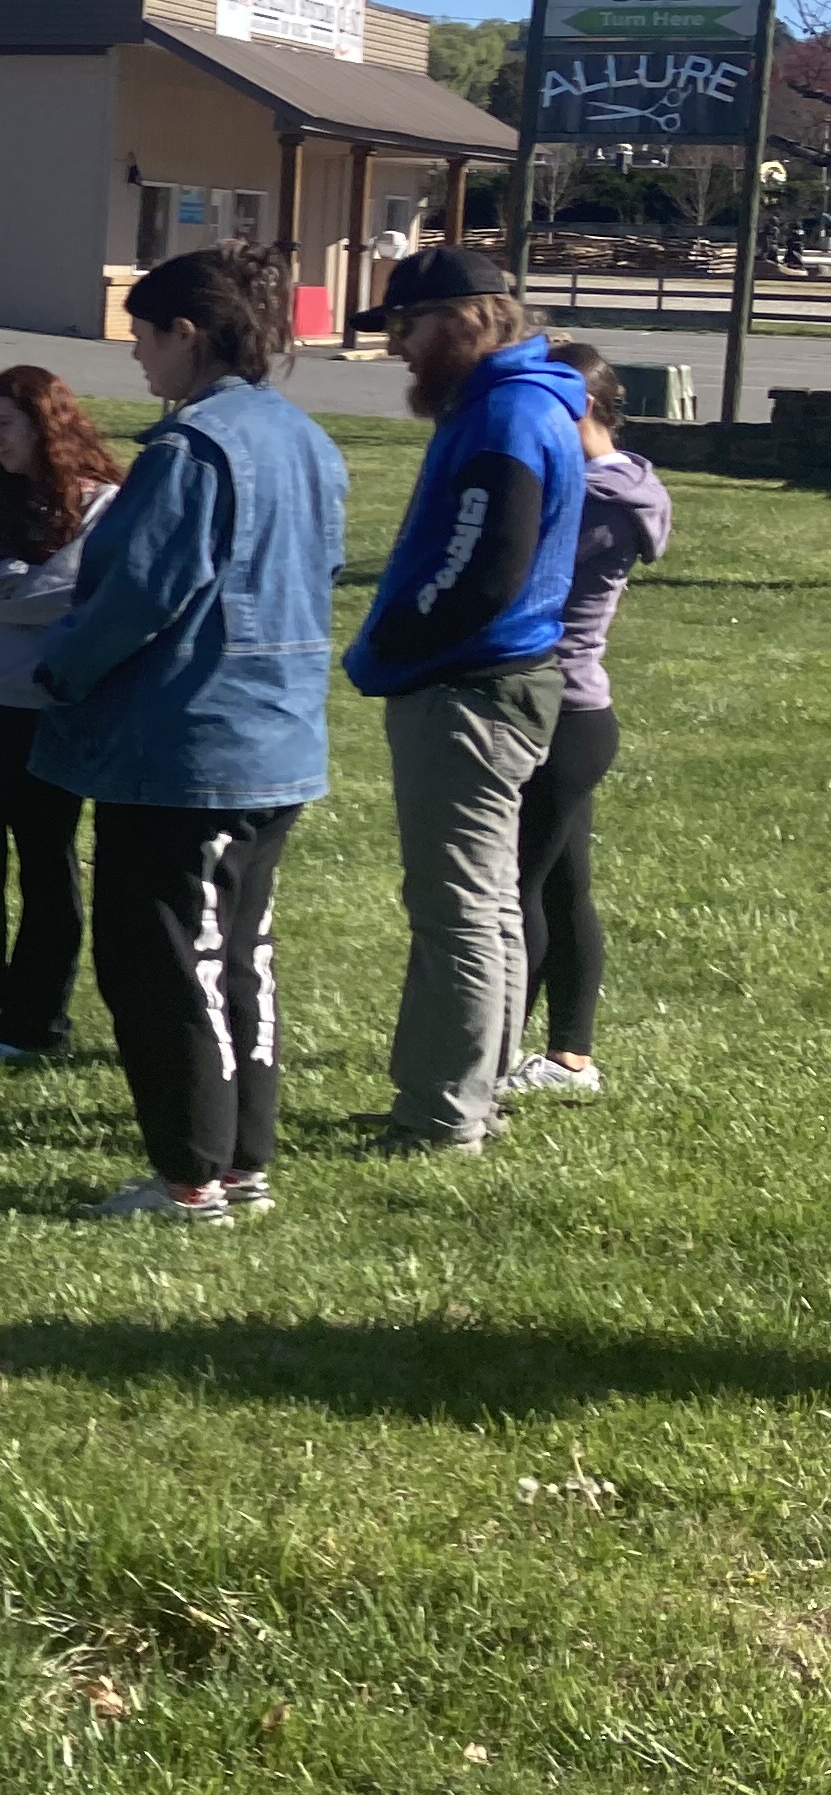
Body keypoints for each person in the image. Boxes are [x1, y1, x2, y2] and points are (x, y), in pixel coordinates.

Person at [33, 244, 348, 1226]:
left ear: (190, 333)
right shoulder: (305, 438)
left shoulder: (192, 450)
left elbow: (144, 593)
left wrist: (59, 668)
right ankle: (238, 1164)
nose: (136, 357)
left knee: (164, 965)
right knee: (236, 956)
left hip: (191, 748)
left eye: (143, 336)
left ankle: (190, 1177)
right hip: (277, 736)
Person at [344, 246, 588, 1153]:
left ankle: (443, 1115)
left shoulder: (507, 414)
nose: (399, 347)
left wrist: (398, 643)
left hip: (471, 689)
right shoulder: (506, 404)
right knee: (484, 905)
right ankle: (472, 1092)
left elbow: (485, 571)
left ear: (468, 319)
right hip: (493, 682)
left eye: (408, 327)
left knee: (457, 909)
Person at [0, 366, 122, 1063]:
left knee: (46, 863)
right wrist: (16, 583)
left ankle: (36, 1025)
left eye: (4, 424)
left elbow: (71, 593)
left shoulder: (100, 502)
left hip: (51, 710)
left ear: (46, 423)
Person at [503, 340, 668, 1104]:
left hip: (558, 712)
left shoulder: (594, 502)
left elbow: (516, 578)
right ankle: (570, 1058)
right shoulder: (614, 486)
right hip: (577, 713)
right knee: (564, 888)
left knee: (515, 892)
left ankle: (494, 1059)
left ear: (587, 410)